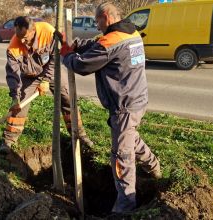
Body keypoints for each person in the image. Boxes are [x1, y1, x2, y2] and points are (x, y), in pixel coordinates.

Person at [60, 2, 161, 214]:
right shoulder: (129, 32)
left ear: (106, 17)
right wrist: (75, 45)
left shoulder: (113, 41)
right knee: (130, 137)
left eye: (98, 21)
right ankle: (154, 167)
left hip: (124, 106)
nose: (97, 26)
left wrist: (67, 55)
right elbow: (97, 44)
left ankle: (124, 207)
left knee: (121, 156)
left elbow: (82, 65)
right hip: (137, 100)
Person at [0, 16, 93, 153]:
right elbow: (13, 74)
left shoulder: (48, 32)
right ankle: (8, 141)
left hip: (52, 70)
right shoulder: (13, 47)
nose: (22, 41)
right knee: (20, 105)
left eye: (25, 37)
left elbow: (56, 57)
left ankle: (80, 135)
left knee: (68, 100)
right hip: (29, 76)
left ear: (33, 30)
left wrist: (45, 80)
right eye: (18, 36)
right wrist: (15, 96)